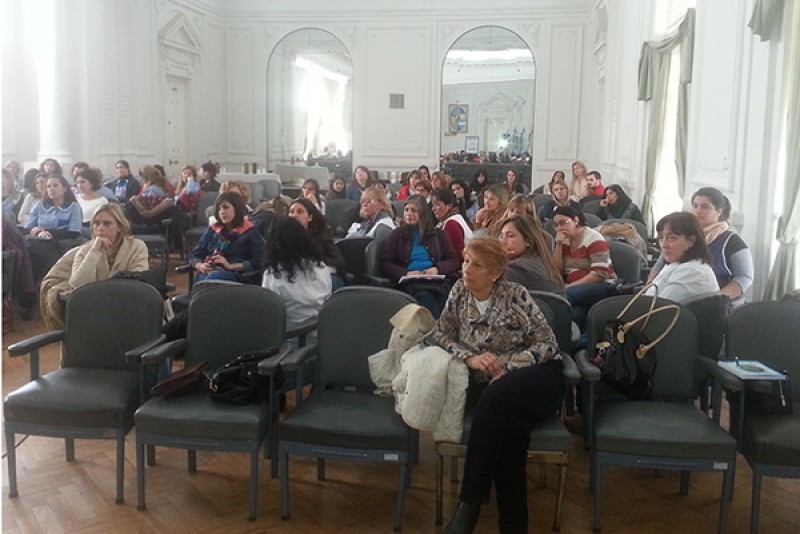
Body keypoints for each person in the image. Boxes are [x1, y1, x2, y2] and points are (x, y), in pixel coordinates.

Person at [434, 236, 564, 534]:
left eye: (477, 265)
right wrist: (469, 358)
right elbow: (440, 334)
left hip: (537, 377)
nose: (467, 269)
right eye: (466, 261)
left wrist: (507, 366)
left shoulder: (515, 295)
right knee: (512, 431)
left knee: (496, 394)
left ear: (495, 274)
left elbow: (548, 344)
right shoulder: (459, 292)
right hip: (491, 387)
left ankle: (469, 505)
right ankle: (514, 525)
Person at [40, 203, 150, 330]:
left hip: (125, 302)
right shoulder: (85, 250)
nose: (100, 228)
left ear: (120, 226)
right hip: (93, 305)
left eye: (107, 223)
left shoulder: (136, 247)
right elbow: (77, 283)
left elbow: (139, 279)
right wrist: (94, 252)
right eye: (96, 223)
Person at [649, 187, 753, 306]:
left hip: (718, 303)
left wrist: (717, 298)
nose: (698, 211)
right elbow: (660, 265)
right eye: (695, 206)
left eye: (705, 207)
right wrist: (650, 288)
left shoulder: (731, 241)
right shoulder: (682, 235)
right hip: (677, 291)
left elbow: (744, 277)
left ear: (718, 211)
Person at [380, 196, 460, 318]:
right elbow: (386, 263)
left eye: (414, 210)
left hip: (436, 281)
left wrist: (437, 269)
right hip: (411, 283)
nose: (409, 214)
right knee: (425, 297)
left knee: (444, 299)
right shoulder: (397, 235)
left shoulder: (438, 234)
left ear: (423, 213)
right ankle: (435, 327)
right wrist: (406, 273)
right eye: (406, 210)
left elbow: (454, 260)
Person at [262, 216, 331, 341]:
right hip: (321, 335)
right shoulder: (320, 267)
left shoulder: (273, 275)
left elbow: (270, 314)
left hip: (289, 338)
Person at [551, 206, 617, 329]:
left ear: (576, 220)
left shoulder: (593, 238)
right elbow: (557, 270)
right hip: (577, 289)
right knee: (575, 313)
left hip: (603, 285)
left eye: (563, 223)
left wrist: (570, 287)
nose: (559, 228)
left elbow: (600, 274)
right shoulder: (564, 240)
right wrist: (558, 245)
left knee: (564, 295)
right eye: (556, 225)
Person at [189, 191, 264, 282]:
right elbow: (195, 255)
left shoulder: (250, 231)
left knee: (214, 277)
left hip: (235, 276)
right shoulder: (212, 230)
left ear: (237, 208)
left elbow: (258, 261)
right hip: (208, 272)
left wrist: (230, 266)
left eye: (226, 207)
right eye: (219, 209)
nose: (221, 212)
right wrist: (201, 266)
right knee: (205, 278)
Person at [645, 212, 718, 303]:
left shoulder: (692, 272)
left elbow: (658, 307)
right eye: (661, 237)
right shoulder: (676, 265)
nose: (664, 245)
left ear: (691, 241)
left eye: (672, 238)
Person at [24, 175, 83, 282]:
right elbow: (28, 229)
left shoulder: (73, 207)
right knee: (28, 245)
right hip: (38, 241)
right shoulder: (39, 206)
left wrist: (46, 232)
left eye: (55, 185)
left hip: (62, 245)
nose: (51, 189)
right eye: (48, 186)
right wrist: (38, 232)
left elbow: (74, 233)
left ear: (64, 188)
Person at [289, 198, 346, 290]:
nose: (294, 215)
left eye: (300, 212)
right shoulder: (282, 238)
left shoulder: (321, 236)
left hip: (321, 274)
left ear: (310, 217)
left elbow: (338, 261)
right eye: (291, 212)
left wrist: (314, 264)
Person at [499, 215, 565, 295]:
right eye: (501, 236)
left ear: (528, 240)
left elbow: (487, 292)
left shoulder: (518, 267)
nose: (502, 242)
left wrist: (497, 259)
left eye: (510, 236)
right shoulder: (541, 261)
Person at [431, 188, 473, 262]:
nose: (433, 209)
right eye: (433, 205)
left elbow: (456, 256)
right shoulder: (456, 218)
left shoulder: (451, 224)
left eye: (437, 205)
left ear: (449, 206)